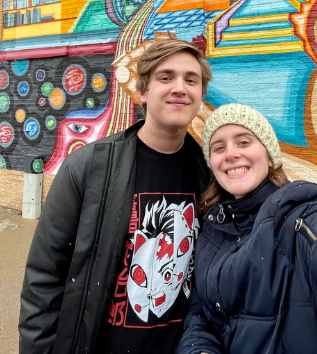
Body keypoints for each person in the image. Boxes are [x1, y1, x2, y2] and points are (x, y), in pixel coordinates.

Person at [19, 38, 212, 354]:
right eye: (166, 77)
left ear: (200, 94)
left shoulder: (212, 176)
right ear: (142, 92)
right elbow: (44, 278)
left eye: (191, 80)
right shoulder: (89, 168)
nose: (180, 87)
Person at [176, 103, 317, 354]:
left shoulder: (298, 215)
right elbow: (203, 311)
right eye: (219, 147)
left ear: (268, 155)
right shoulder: (213, 230)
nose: (231, 154)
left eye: (244, 142)